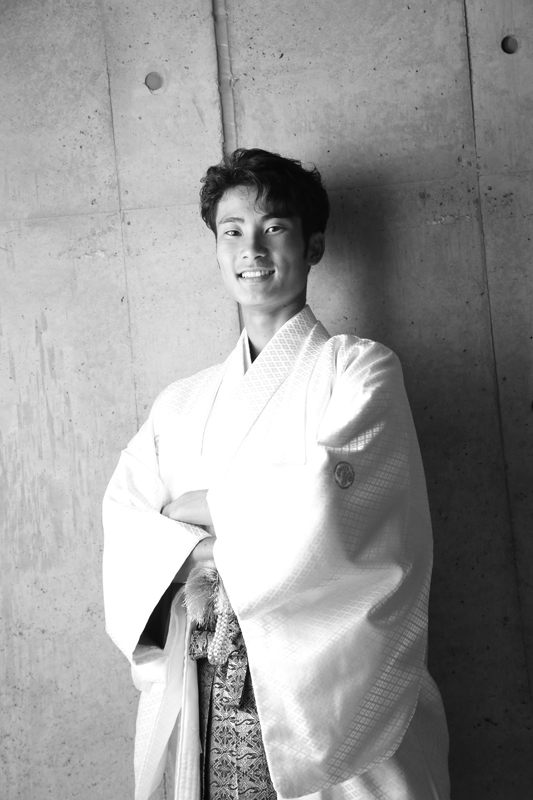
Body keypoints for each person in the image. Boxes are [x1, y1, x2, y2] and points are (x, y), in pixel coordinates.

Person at [102, 148, 450, 800]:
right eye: (232, 230)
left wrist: (196, 516)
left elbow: (335, 501)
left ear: (313, 246)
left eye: (274, 227)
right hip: (207, 689)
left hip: (327, 692)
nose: (251, 249)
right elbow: (125, 523)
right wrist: (230, 535)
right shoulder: (179, 404)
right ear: (215, 251)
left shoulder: (358, 370)